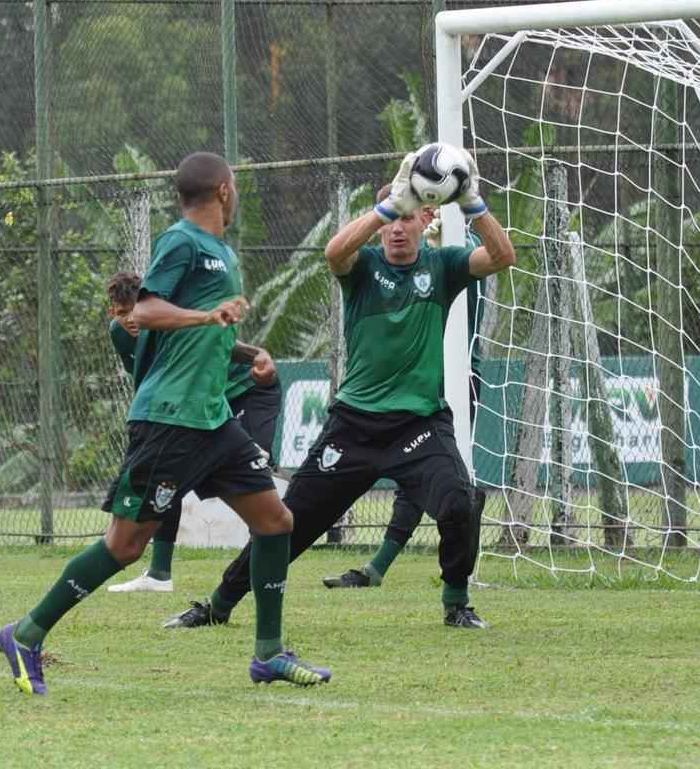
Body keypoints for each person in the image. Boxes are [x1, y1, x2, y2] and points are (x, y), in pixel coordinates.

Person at [0, 152, 331, 694]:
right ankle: (27, 634)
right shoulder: (182, 241)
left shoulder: (220, 252)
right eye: (235, 185)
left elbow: (199, 334)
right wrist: (207, 315)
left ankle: (268, 653)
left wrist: (247, 352)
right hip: (170, 421)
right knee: (125, 546)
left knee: (275, 521)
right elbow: (146, 312)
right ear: (224, 190)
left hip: (213, 419)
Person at [163, 145, 515, 631]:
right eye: (390, 219)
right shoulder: (364, 267)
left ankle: (456, 602)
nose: (396, 228)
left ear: (426, 219)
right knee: (287, 524)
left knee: (459, 500)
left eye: (407, 219)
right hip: (354, 426)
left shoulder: (444, 267)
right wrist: (390, 203)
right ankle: (219, 606)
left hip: (420, 425)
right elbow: (334, 252)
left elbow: (502, 257)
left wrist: (473, 200)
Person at [321, 209, 488, 589]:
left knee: (437, 484)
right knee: (414, 482)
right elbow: (337, 254)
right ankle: (377, 568)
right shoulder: (385, 262)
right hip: (398, 387)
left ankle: (406, 576)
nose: (399, 227)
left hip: (451, 381)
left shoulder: (457, 254)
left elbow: (483, 273)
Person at [103, 274, 285, 593]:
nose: (131, 320)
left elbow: (228, 347)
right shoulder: (119, 334)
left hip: (244, 391)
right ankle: (159, 574)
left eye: (135, 311)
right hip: (197, 405)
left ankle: (262, 577)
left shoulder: (172, 322)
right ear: (112, 313)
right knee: (165, 474)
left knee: (259, 488)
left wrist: (259, 354)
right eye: (122, 313)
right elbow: (146, 378)